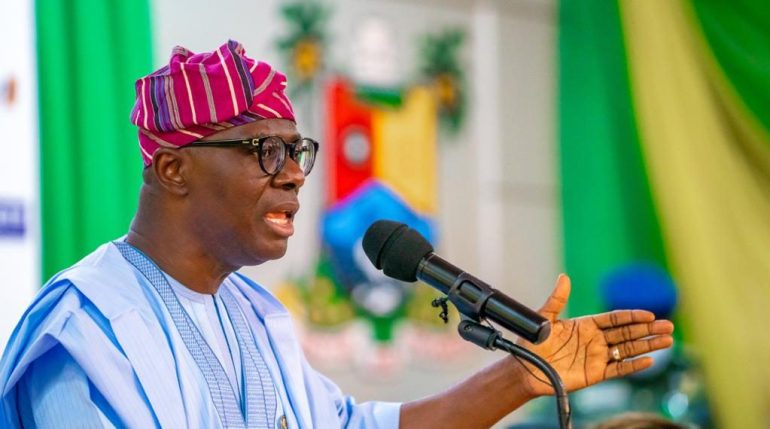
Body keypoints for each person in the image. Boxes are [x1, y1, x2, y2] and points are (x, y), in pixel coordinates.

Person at [0, 40, 674, 428]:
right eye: (265, 150)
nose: (295, 174)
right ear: (174, 168)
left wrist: (520, 376)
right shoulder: (85, 333)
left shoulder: (253, 315)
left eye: (298, 151)